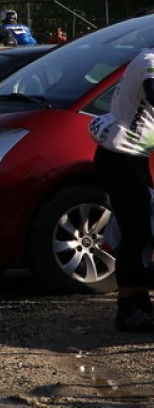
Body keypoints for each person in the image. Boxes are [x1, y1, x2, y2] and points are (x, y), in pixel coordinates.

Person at [89, 47, 154, 331]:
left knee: (140, 231)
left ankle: (140, 303)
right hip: (119, 157)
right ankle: (127, 310)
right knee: (135, 231)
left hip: (134, 155)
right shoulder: (150, 60)